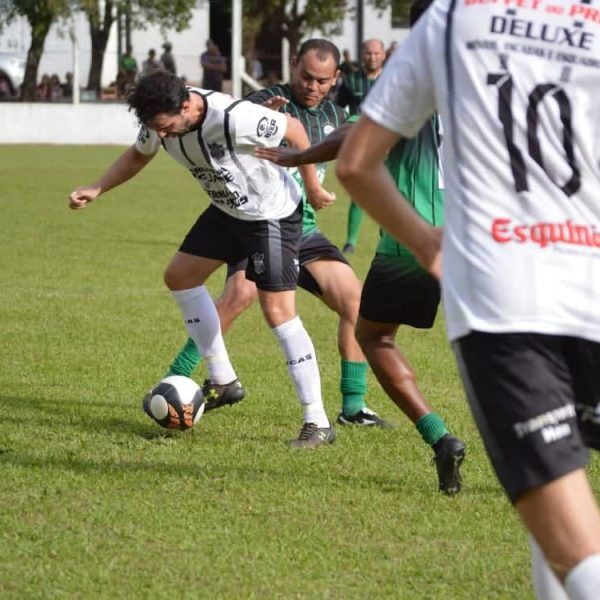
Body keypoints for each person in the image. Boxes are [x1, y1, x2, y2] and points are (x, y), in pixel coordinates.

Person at [336, 0, 600, 597]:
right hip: (590, 277)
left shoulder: (453, 19)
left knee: (577, 549)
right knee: (558, 510)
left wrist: (427, 241)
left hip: (506, 290)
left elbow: (355, 161)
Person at [68, 70, 337, 449]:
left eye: (165, 128)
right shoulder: (160, 120)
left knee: (277, 311)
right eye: (154, 129)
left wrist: (311, 184)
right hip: (228, 211)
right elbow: (137, 154)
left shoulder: (230, 118)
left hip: (269, 214)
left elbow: (293, 129)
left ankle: (318, 422)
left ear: (186, 106)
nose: (160, 136)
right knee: (179, 276)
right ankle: (223, 381)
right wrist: (97, 188)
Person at [167, 39, 391, 429]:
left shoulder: (337, 118)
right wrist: (259, 127)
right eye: (306, 77)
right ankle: (180, 377)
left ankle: (353, 407)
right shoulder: (265, 101)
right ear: (292, 66)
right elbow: (227, 142)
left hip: (303, 231)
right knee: (239, 295)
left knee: (358, 304)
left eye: (323, 80)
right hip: (259, 224)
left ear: (336, 78)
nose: (313, 86)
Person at [255, 96, 465, 495]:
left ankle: (440, 438)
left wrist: (301, 156)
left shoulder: (419, 83)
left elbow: (355, 134)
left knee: (374, 336)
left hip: (415, 240)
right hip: (500, 237)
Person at [336, 39, 385, 254]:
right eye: (368, 53)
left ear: (383, 55)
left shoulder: (394, 78)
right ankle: (351, 241)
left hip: (391, 146)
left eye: (376, 53)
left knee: (394, 194)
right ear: (362, 55)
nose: (372, 57)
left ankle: (389, 240)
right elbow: (337, 110)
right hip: (361, 146)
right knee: (360, 194)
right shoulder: (351, 81)